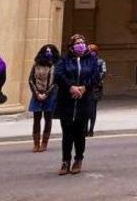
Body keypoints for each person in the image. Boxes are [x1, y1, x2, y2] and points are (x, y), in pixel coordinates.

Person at [54, 34, 101, 175]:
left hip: (84, 100)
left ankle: (78, 159)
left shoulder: (91, 60)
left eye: (82, 42)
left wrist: (84, 88)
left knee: (80, 133)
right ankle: (65, 161)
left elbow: (96, 76)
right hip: (67, 100)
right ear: (71, 46)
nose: (80, 45)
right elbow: (58, 75)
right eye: (77, 43)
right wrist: (71, 87)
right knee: (67, 134)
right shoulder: (64, 59)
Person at [28, 44, 59, 153]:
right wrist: (37, 93)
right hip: (37, 94)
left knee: (48, 119)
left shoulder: (56, 65)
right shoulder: (36, 65)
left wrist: (46, 94)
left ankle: (44, 142)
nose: (48, 53)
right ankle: (36, 143)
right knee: (36, 119)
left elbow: (55, 82)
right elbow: (31, 80)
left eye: (50, 51)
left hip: (50, 95)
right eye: (46, 51)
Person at [86, 44, 107, 137]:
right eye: (89, 50)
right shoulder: (85, 61)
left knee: (92, 110)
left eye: (92, 50)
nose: (91, 52)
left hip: (95, 88)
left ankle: (91, 129)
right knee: (85, 110)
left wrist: (95, 79)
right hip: (86, 87)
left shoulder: (100, 61)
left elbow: (103, 73)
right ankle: (85, 129)